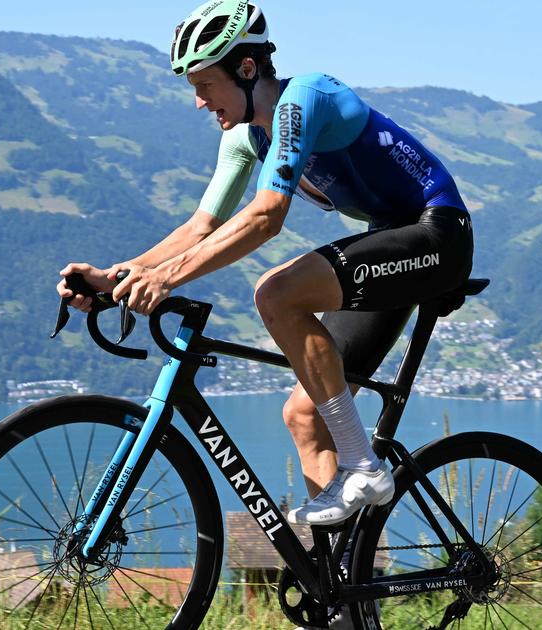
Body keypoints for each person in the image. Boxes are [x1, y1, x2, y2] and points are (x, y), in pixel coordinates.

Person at [58, 0, 472, 530]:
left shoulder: (305, 98)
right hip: (389, 239)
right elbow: (200, 227)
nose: (199, 101)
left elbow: (267, 215)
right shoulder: (245, 136)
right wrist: (115, 277)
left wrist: (166, 278)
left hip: (439, 234)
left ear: (247, 68)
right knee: (304, 416)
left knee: (277, 292)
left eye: (205, 85)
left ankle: (364, 467)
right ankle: (339, 573)